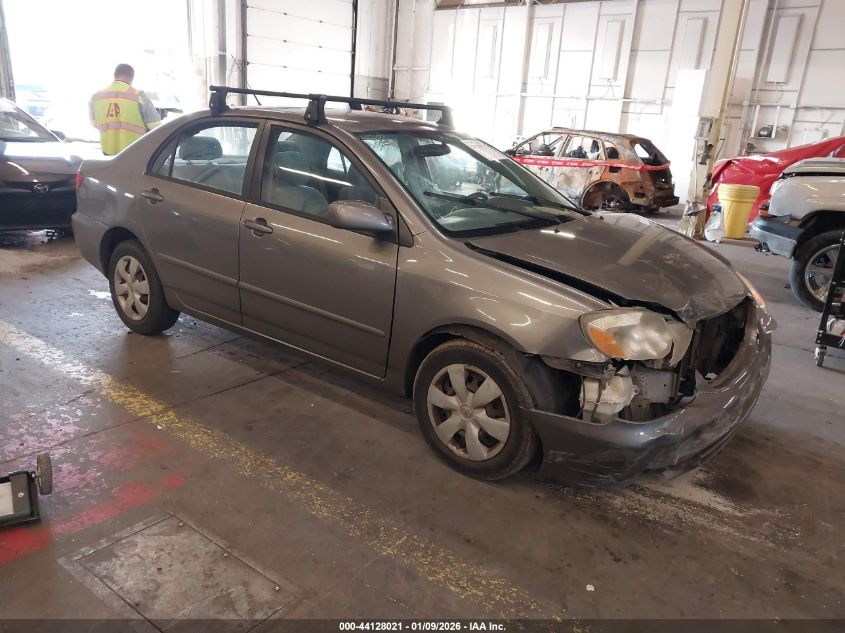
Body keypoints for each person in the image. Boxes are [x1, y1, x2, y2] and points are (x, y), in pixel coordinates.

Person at [89, 64, 160, 156]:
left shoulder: (96, 97)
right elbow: (156, 127)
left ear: (115, 75)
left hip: (108, 156)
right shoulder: (137, 96)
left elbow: (94, 124)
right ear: (132, 77)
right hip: (133, 154)